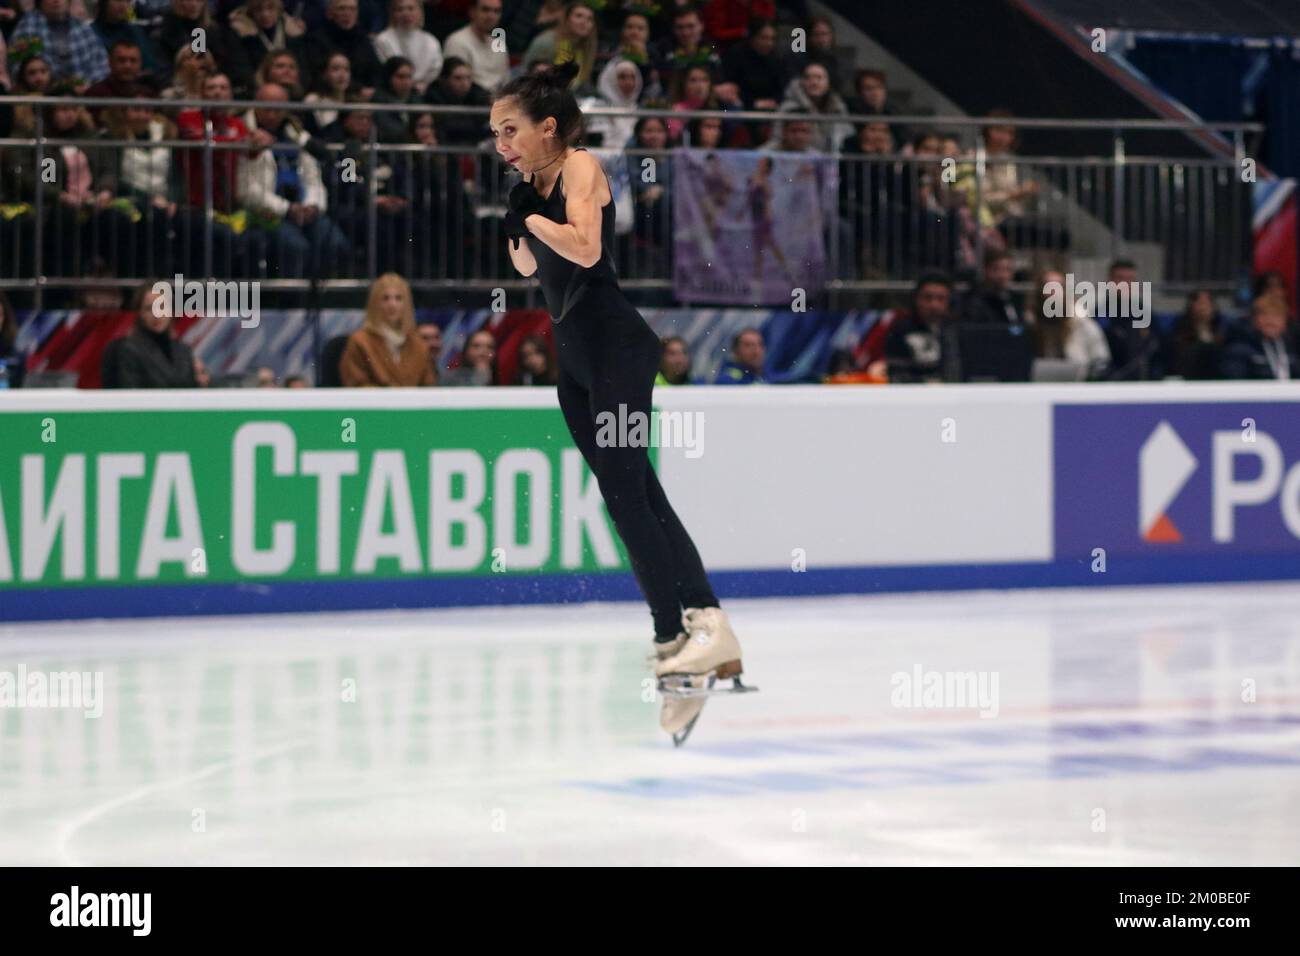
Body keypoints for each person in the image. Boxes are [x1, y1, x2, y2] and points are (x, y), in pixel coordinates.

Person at [491, 59, 742, 742]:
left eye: (510, 130)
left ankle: (678, 641)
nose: (500, 144)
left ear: (548, 128)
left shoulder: (579, 167)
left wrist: (532, 219)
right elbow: (527, 267)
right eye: (494, 133)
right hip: (573, 361)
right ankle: (701, 630)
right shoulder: (534, 181)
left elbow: (585, 243)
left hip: (617, 348)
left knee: (629, 494)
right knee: (633, 491)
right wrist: (516, 222)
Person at [339, 272, 435, 386]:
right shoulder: (360, 342)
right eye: (385, 298)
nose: (392, 304)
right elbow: (356, 384)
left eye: (398, 298)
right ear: (375, 303)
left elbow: (428, 386)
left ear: (407, 304)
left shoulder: (419, 345)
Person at [102, 283, 199, 388]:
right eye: (149, 308)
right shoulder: (129, 349)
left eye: (162, 306)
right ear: (140, 313)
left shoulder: (183, 350)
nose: (156, 314)